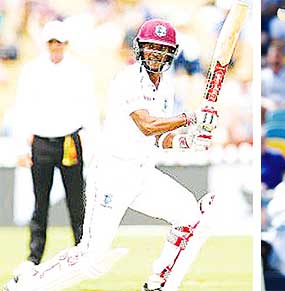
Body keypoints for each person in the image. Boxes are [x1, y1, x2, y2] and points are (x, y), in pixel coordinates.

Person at [5, 19, 222, 291]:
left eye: (161, 49)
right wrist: (190, 118)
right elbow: (147, 125)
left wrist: (188, 141)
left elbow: (160, 138)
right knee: (91, 260)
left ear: (171, 53)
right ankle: (26, 284)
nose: (155, 54)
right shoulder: (127, 79)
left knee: (193, 218)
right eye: (150, 47)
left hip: (143, 173)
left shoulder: (165, 86)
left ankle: (159, 284)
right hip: (113, 174)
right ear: (139, 49)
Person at [12, 20, 96, 274]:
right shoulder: (32, 70)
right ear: (45, 44)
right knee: (40, 201)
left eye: (59, 42)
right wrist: (20, 146)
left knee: (75, 200)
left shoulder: (80, 70)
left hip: (70, 141)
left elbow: (89, 108)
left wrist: (92, 144)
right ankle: (34, 255)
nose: (55, 47)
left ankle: (83, 251)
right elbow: (22, 107)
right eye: (51, 42)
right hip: (41, 142)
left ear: (66, 44)